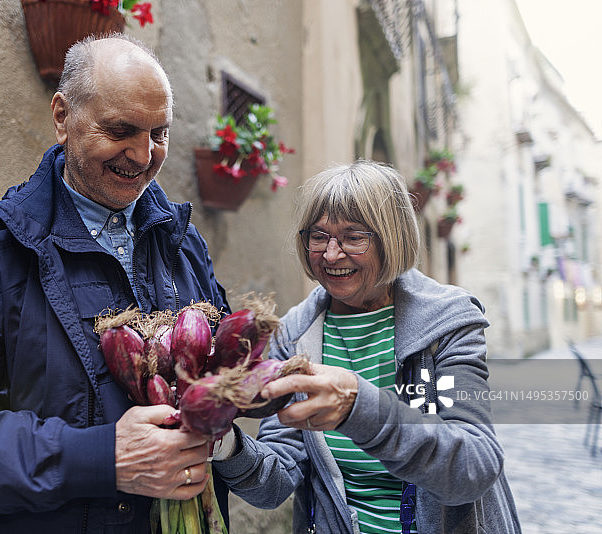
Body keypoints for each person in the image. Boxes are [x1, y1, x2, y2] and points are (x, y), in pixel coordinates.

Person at [0, 33, 230, 533]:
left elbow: (220, 375)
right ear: (62, 116)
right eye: (121, 130)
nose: (143, 155)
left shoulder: (182, 242)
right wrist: (103, 457)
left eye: (159, 133)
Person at [210, 161, 521, 533]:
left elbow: (474, 467)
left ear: (391, 239)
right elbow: (274, 484)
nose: (331, 254)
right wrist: (223, 442)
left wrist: (358, 408)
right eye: (319, 236)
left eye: (353, 237)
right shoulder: (292, 335)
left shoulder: (447, 322)